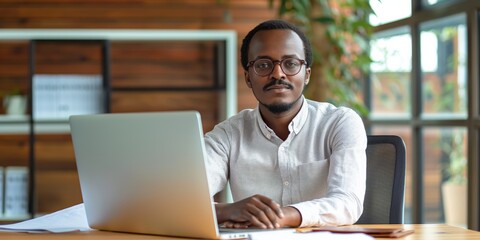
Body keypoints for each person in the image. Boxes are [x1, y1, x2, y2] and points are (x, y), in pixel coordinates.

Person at [204, 19, 367, 229]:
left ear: (306, 74)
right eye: (263, 65)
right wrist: (228, 211)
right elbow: (182, 198)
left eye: (290, 63)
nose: (278, 74)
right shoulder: (228, 134)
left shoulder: (339, 122)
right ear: (247, 78)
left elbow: (347, 203)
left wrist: (281, 216)